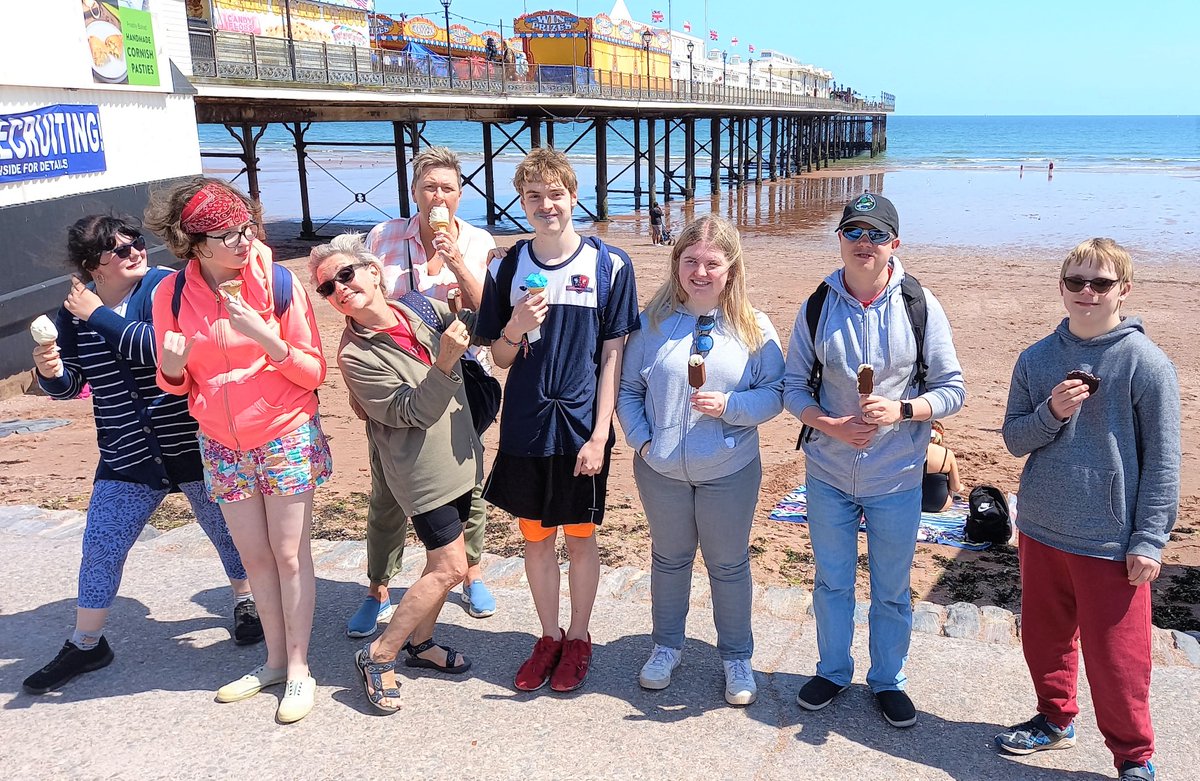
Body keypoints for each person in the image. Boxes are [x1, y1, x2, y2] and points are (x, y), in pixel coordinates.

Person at [22, 216, 261, 695]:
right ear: (94, 266)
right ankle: (86, 643)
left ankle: (246, 601)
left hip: (192, 441)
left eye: (135, 242)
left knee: (226, 532)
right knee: (102, 546)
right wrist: (50, 371)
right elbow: (71, 386)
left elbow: (166, 352)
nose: (135, 251)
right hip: (125, 453)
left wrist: (98, 315)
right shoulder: (71, 314)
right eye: (119, 248)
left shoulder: (169, 289)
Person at [146, 177, 331, 724]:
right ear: (194, 244)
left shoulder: (276, 282)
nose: (241, 240)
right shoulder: (171, 294)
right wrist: (173, 370)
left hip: (284, 433)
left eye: (245, 227)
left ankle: (299, 668)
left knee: (291, 554)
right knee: (254, 559)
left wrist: (265, 335)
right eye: (225, 235)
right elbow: (174, 384)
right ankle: (273, 661)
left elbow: (313, 371)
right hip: (221, 443)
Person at [995, 238, 1179, 781]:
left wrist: (1150, 540)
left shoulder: (1146, 363)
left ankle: (1134, 755)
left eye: (1100, 282)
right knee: (1044, 639)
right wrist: (1051, 411)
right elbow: (1013, 439)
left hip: (1110, 538)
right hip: (1041, 526)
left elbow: (1164, 461)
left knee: (1118, 660)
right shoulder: (1036, 358)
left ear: (1123, 290)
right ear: (1062, 287)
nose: (1087, 292)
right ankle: (1055, 719)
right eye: (1076, 281)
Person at [783, 192, 965, 728]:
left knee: (890, 586)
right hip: (829, 473)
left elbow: (953, 390)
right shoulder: (817, 305)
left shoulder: (920, 305)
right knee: (832, 581)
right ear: (839, 239)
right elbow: (793, 386)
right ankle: (833, 670)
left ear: (895, 243)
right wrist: (829, 423)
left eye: (876, 234)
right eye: (854, 232)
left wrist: (903, 409)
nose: (865, 243)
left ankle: (888, 679)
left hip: (898, 476)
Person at [477, 147, 639, 692]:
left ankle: (580, 636)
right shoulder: (507, 265)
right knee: (535, 537)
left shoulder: (609, 264)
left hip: (580, 428)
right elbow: (498, 357)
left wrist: (600, 435)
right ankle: (547, 635)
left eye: (556, 195)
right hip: (525, 422)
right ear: (521, 203)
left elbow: (612, 355)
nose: (546, 206)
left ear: (574, 198)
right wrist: (517, 326)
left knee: (581, 536)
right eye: (533, 197)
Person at [616, 215, 784, 705]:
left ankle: (736, 658)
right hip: (660, 469)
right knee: (669, 560)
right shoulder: (652, 324)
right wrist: (644, 442)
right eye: (691, 261)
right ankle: (666, 647)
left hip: (728, 470)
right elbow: (629, 390)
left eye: (713, 262)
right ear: (676, 264)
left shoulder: (755, 327)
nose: (701, 271)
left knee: (728, 564)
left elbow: (775, 393)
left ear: (731, 269)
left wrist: (731, 407)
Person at [309, 233, 479, 714]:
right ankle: (379, 655)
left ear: (373, 272)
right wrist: (445, 359)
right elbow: (411, 413)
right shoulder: (354, 355)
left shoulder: (415, 308)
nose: (339, 288)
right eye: (327, 287)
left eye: (346, 274)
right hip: (422, 474)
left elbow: (474, 324)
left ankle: (421, 645)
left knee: (445, 566)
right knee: (449, 568)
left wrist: (472, 275)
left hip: (460, 457)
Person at [351, 146, 498, 636]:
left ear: (461, 194)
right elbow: (362, 303)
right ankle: (378, 587)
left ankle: (470, 572)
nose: (439, 196)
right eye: (429, 187)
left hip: (460, 383)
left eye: (448, 188)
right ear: (414, 192)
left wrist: (457, 265)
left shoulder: (478, 241)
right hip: (396, 380)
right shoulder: (384, 236)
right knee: (387, 492)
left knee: (467, 484)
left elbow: (489, 317)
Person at [922, 421, 964, 513]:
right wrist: (961, 487)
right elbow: (955, 487)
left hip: (914, 503)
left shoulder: (914, 451)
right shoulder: (947, 453)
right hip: (939, 504)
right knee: (954, 488)